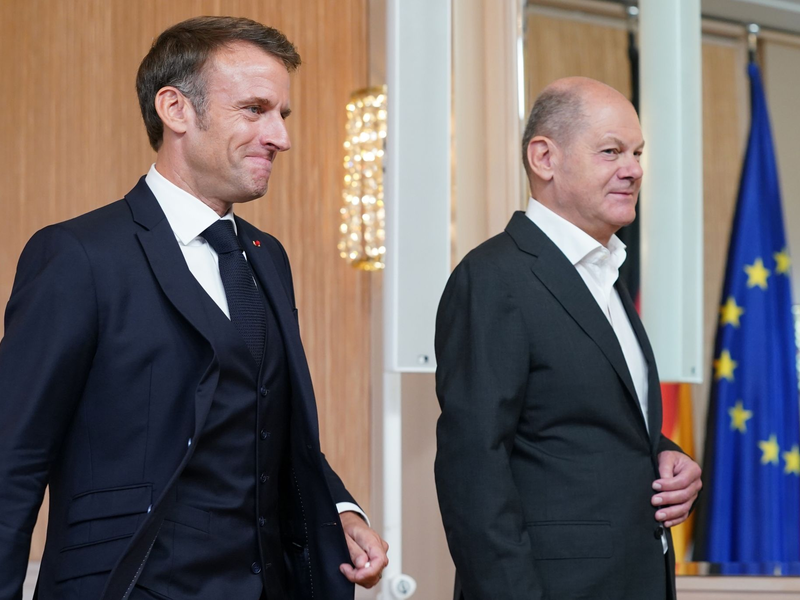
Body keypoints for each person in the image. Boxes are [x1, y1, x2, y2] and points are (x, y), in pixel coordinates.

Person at [0, 16, 387, 600]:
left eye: (282, 115)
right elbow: (14, 458)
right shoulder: (78, 256)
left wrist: (341, 509)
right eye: (255, 110)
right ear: (175, 109)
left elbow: (267, 427)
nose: (280, 137)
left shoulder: (268, 258)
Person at [433, 77, 702, 600]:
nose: (633, 169)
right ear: (544, 158)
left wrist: (666, 455)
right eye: (611, 151)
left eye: (638, 153)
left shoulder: (605, 274)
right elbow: (474, 467)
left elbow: (578, 420)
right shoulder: (493, 278)